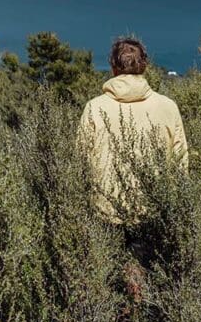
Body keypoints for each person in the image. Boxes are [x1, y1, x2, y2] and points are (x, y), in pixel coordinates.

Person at [78, 36, 188, 224]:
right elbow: (180, 164)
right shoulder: (168, 106)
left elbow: (81, 161)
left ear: (113, 68)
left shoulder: (94, 108)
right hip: (155, 212)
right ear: (144, 66)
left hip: (106, 214)